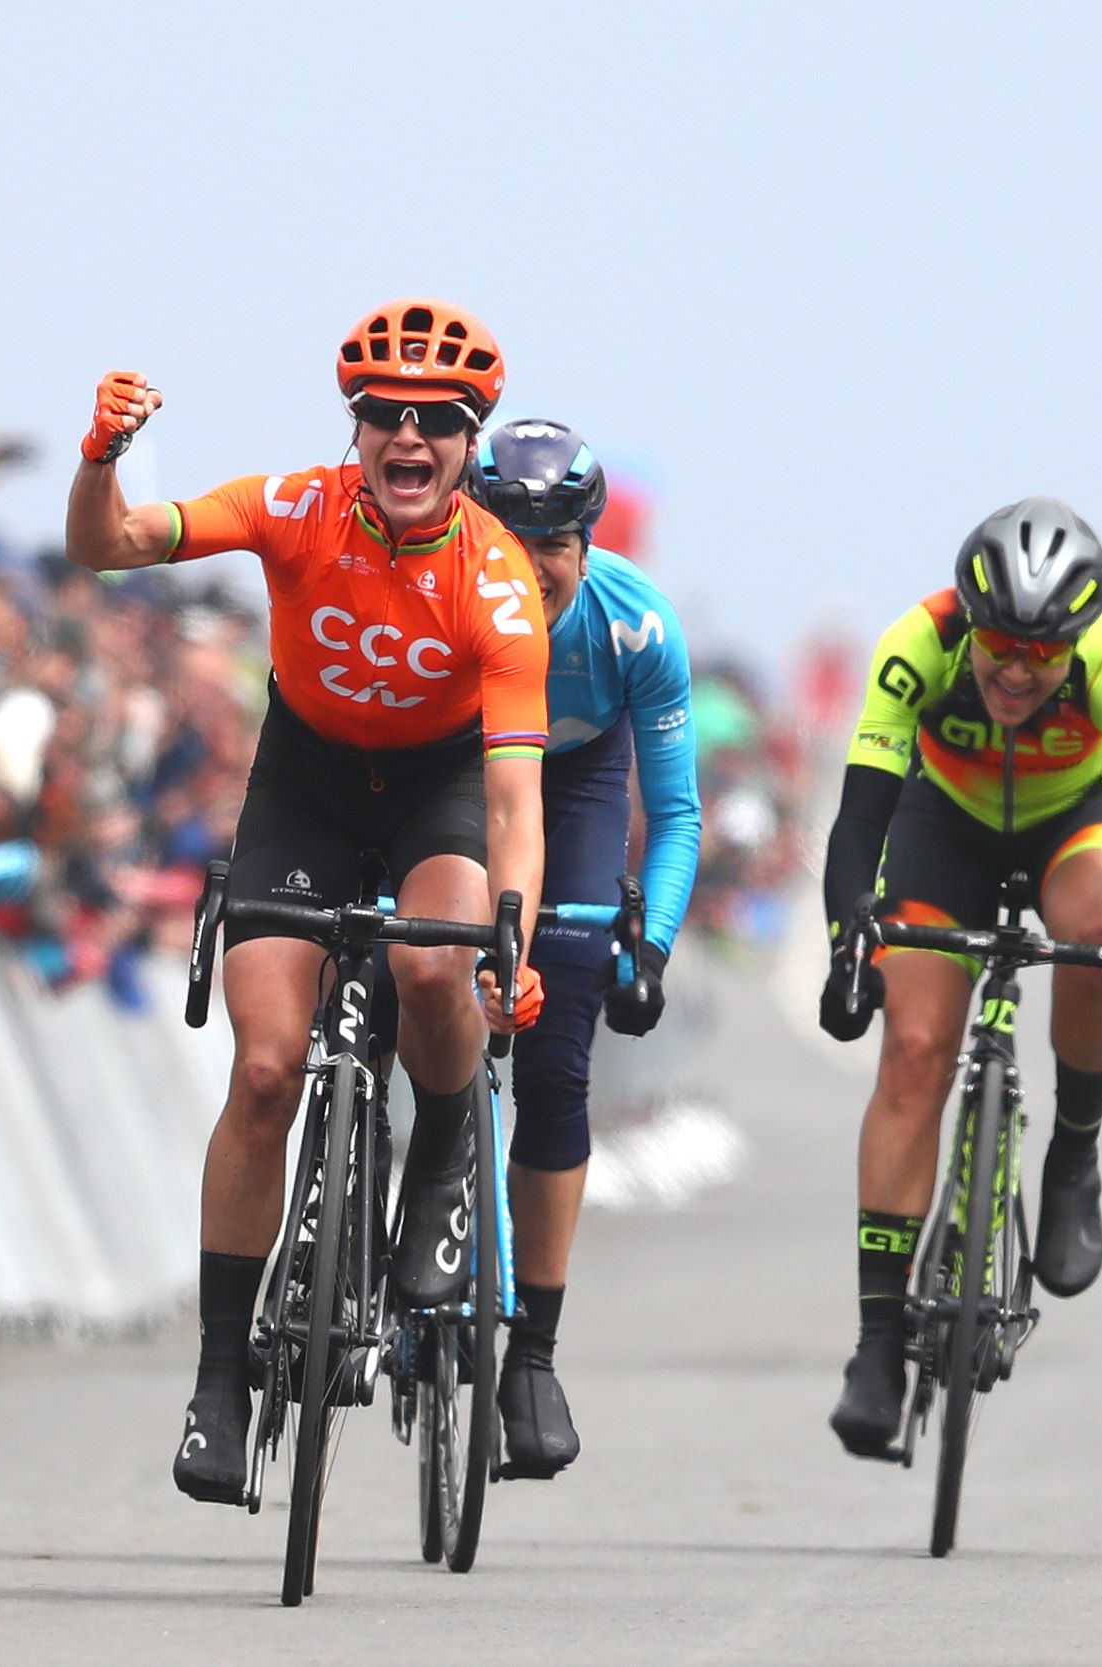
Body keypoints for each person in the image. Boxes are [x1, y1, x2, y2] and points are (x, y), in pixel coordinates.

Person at [64, 298, 551, 1507]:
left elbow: (511, 805)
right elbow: (109, 546)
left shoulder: (496, 581)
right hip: (310, 785)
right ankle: (221, 1380)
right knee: (267, 1066)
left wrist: (513, 943)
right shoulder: (294, 510)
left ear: (468, 441)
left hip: (438, 789)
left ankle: (441, 1144)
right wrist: (98, 461)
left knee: (436, 968)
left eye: (436, 422)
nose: (406, 438)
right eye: (384, 414)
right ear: (355, 424)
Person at [818, 497, 1102, 1456]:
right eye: (1000, 648)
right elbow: (860, 821)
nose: (1018, 671)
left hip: (1071, 825)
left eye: (1042, 653)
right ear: (970, 624)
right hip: (945, 832)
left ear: (1076, 641)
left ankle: (1073, 1155)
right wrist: (845, 944)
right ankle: (878, 1339)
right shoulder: (918, 644)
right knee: (913, 1049)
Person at [463, 418, 699, 1478]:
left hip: (575, 782)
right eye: (505, 539)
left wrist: (645, 944)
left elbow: (677, 812)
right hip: (453, 777)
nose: (527, 565)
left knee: (557, 1066)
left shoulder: (635, 626)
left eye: (551, 544)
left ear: (588, 544)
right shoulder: (435, 598)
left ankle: (534, 1356)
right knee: (394, 978)